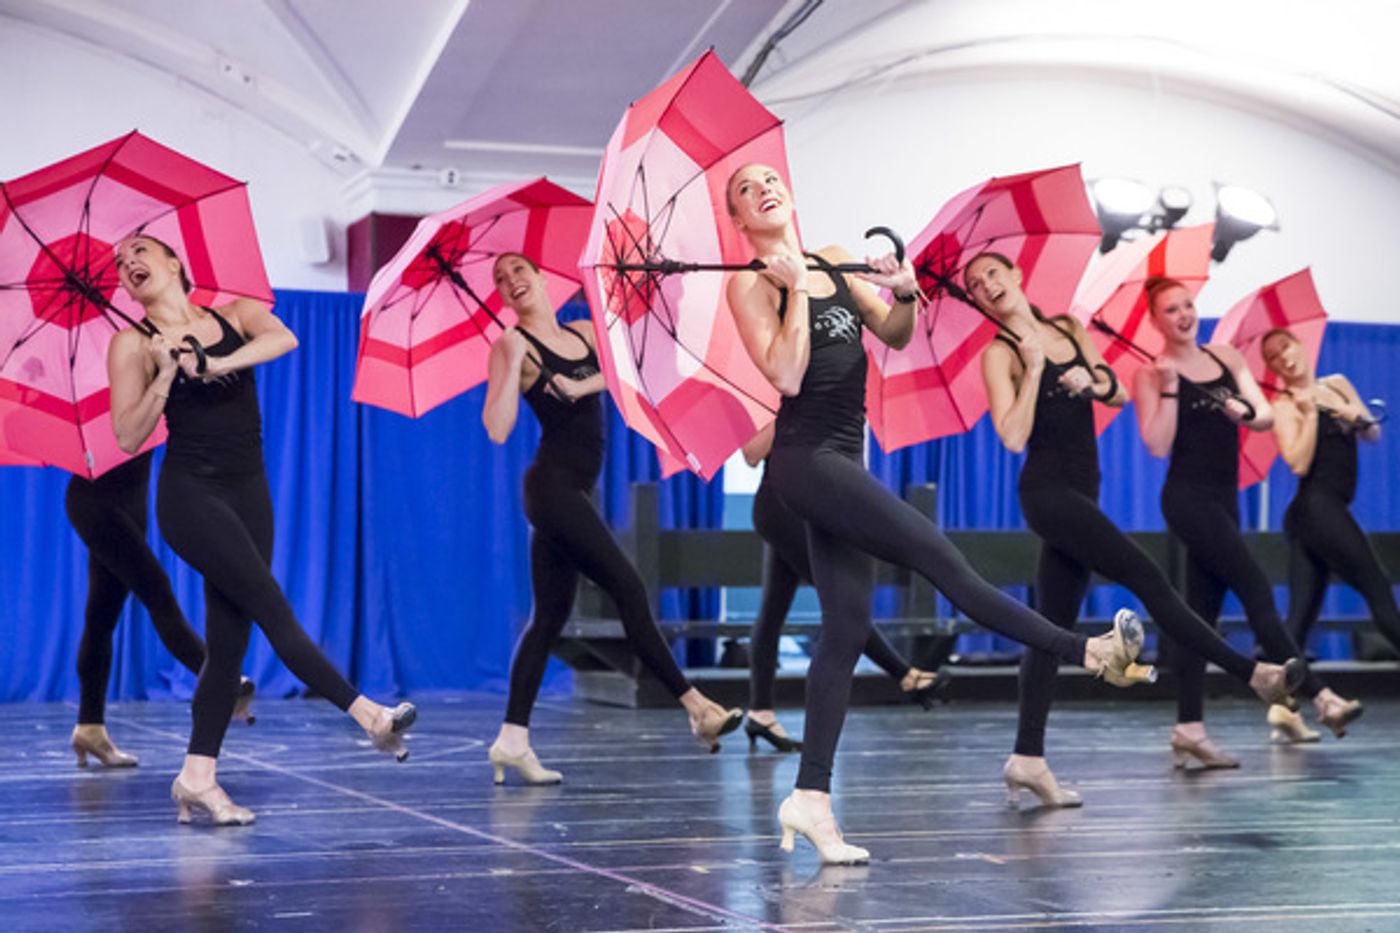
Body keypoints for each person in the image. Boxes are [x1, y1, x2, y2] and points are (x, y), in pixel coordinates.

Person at [725, 164, 1151, 865]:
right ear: (739, 220)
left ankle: (809, 797)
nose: (763, 187)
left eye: (770, 177)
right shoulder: (750, 282)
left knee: (846, 627)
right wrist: (794, 292)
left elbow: (891, 332)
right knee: (941, 558)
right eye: (746, 189)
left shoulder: (831, 259)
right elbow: (785, 375)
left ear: (790, 191)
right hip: (804, 461)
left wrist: (907, 291)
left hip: (844, 454)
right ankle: (1087, 650)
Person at [107, 234, 414, 826]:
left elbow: (283, 338)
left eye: (140, 251)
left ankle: (197, 777)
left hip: (250, 491)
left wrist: (214, 360)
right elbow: (126, 434)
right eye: (120, 264)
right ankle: (368, 715)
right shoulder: (132, 344)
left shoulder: (235, 314)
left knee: (227, 647)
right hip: (190, 494)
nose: (129, 264)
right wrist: (167, 373)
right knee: (274, 610)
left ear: (175, 262)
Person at [971, 253, 1303, 798]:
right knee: (1151, 581)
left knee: (1049, 627)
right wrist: (1033, 369)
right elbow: (1011, 435)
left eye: (993, 274)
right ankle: (1254, 674)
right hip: (1047, 493)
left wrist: (1091, 380)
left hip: (1085, 487)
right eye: (976, 285)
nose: (986, 285)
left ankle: (1027, 758)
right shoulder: (999, 353)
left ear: (1017, 275)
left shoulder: (1067, 328)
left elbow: (1118, 392)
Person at [481, 251, 743, 785]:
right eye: (501, 281)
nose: (512, 282)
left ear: (541, 276)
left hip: (575, 488)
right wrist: (509, 363)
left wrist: (581, 386)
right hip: (551, 488)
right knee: (627, 586)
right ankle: (697, 707)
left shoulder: (581, 331)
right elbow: (498, 428)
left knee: (547, 619)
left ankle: (512, 738)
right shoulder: (513, 346)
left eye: (519, 271)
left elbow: (628, 379)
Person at [1135, 277, 1360, 760]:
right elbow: (1156, 444)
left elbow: (1263, 414)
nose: (1183, 315)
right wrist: (1171, 390)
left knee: (1201, 615)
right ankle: (1322, 697)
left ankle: (1189, 729)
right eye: (1170, 309)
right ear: (1155, 321)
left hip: (1225, 497)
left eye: (1187, 305)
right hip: (1186, 498)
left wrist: (1246, 413)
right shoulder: (1152, 372)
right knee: (1256, 588)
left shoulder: (1226, 358)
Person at [740, 422, 948, 753]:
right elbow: (750, 453)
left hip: (802, 503)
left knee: (773, 608)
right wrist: (788, 412)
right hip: (782, 506)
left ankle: (760, 712)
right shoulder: (774, 391)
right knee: (840, 601)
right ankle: (904, 674)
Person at [64, 451, 253, 768]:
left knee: (101, 617)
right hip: (96, 505)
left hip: (130, 506)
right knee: (158, 594)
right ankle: (224, 680)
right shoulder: (115, 400)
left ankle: (89, 727)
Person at [1264, 326, 1396, 735]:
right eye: (1273, 357)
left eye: (1286, 346)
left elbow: (1372, 433)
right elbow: (1299, 463)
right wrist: (1306, 413)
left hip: (1324, 512)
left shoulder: (1337, 384)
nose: (1284, 358)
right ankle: (1292, 704)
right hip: (1316, 509)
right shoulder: (1283, 405)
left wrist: (1355, 416)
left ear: (1301, 345)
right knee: (1377, 590)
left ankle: (1283, 709)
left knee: (1298, 622)